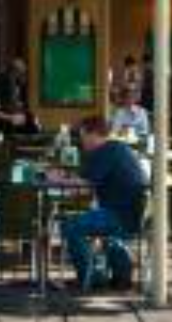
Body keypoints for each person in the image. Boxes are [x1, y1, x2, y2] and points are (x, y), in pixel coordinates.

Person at [62, 116, 148, 291]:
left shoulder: (105, 151)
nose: (82, 141)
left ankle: (93, 277)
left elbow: (84, 187)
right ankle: (121, 277)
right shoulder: (119, 148)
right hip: (134, 214)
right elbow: (87, 184)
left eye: (83, 136)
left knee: (71, 226)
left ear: (94, 134)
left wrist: (59, 180)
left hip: (119, 215)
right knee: (106, 232)